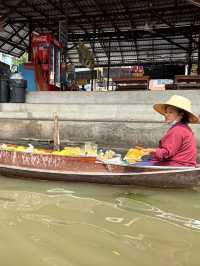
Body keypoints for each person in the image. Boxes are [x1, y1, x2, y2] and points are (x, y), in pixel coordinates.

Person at [141, 95, 199, 167]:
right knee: (148, 159)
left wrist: (151, 150)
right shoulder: (185, 128)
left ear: (181, 115)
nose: (166, 115)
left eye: (170, 112)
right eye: (166, 112)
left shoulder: (177, 130)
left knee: (140, 163)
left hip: (178, 164)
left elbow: (167, 153)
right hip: (185, 164)